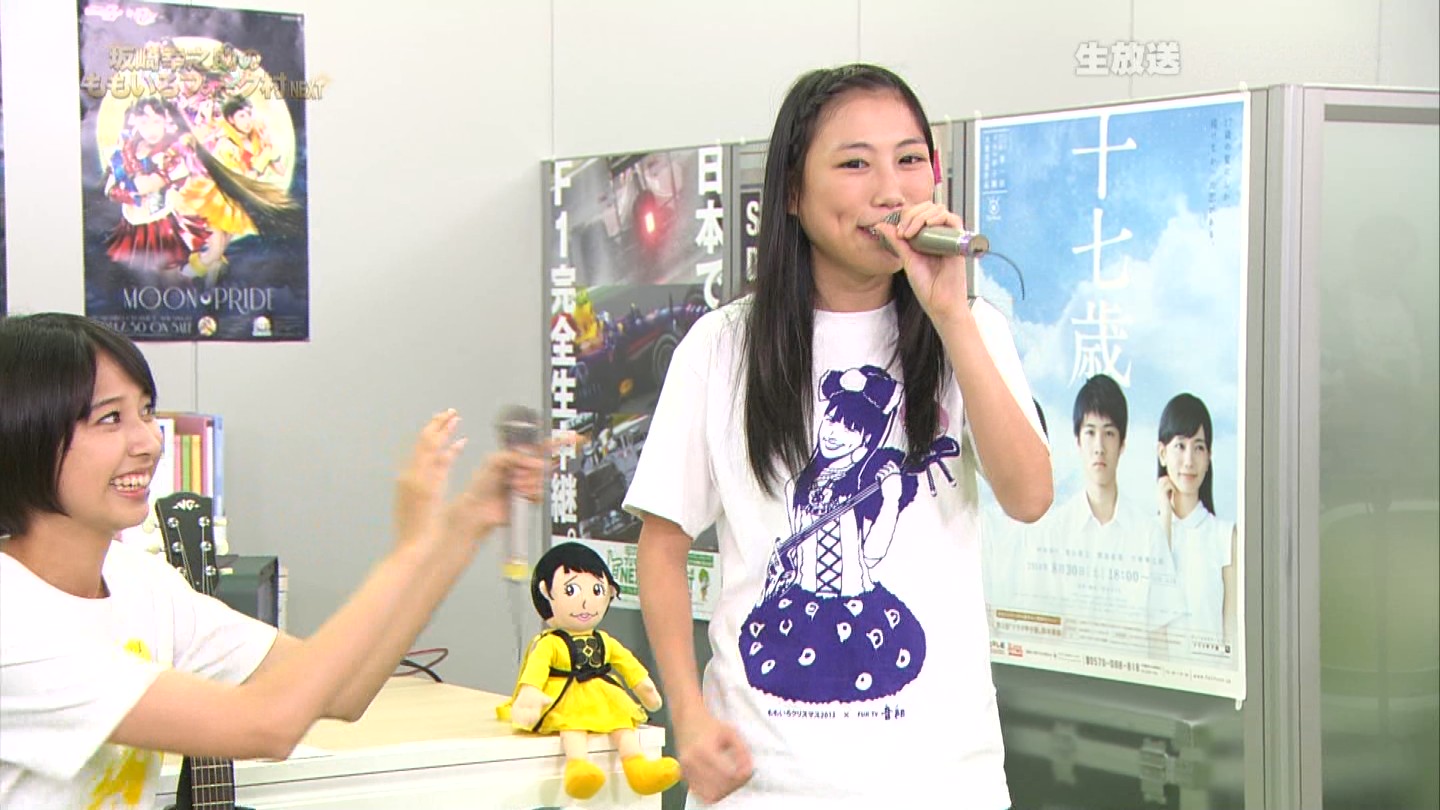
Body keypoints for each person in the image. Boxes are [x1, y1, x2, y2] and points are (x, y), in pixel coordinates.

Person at [624, 64, 1052, 809]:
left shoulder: (973, 330)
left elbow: (1030, 497)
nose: (891, 190)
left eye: (909, 159)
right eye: (855, 164)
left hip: (942, 785)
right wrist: (687, 717)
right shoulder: (722, 347)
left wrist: (951, 316)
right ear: (792, 192)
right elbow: (662, 544)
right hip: (767, 785)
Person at [0, 312, 544, 808]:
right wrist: (407, 553)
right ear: (26, 436)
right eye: (110, 419)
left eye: (145, 411)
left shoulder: (140, 582)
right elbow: (266, 724)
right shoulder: (12, 619)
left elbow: (343, 690)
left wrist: (463, 526)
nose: (147, 441)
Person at [497, 541, 680, 800]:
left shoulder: (604, 640)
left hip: (604, 696)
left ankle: (639, 769)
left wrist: (644, 686)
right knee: (573, 727)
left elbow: (627, 663)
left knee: (623, 726)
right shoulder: (550, 643)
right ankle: (578, 767)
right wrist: (530, 692)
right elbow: (536, 668)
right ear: (546, 592)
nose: (586, 601)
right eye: (571, 590)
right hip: (566, 695)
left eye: (596, 590)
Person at [1040, 374, 1183, 640]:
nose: (1099, 447)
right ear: (1077, 440)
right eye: (1090, 432)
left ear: (1122, 444)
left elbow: (1159, 637)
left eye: (1109, 433)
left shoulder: (1148, 534)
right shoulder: (1055, 531)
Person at [1155, 392, 1238, 652]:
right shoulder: (1147, 533)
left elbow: (1232, 636)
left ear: (1209, 457)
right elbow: (1149, 620)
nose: (1189, 460)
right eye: (1180, 446)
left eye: (1199, 447)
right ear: (1162, 453)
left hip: (1211, 674)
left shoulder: (1225, 537)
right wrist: (1164, 522)